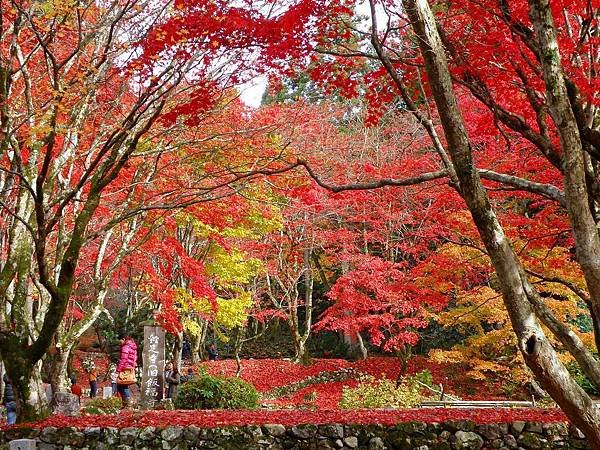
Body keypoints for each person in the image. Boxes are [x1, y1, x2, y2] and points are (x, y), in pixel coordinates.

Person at [116, 334, 138, 408]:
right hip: (130, 367)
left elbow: (124, 359)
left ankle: (128, 403)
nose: (119, 342)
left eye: (120, 340)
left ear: (123, 339)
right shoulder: (132, 347)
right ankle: (126, 403)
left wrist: (118, 369)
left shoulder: (125, 347)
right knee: (123, 385)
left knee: (121, 385)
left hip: (125, 368)